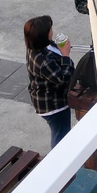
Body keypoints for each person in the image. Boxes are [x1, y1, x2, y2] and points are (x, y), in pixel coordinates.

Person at [24, 15, 75, 148]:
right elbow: (63, 79)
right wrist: (65, 55)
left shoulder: (38, 46)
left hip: (48, 98)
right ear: (44, 35)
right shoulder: (42, 61)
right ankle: (60, 163)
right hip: (53, 105)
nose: (52, 30)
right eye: (50, 29)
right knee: (61, 136)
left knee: (61, 133)